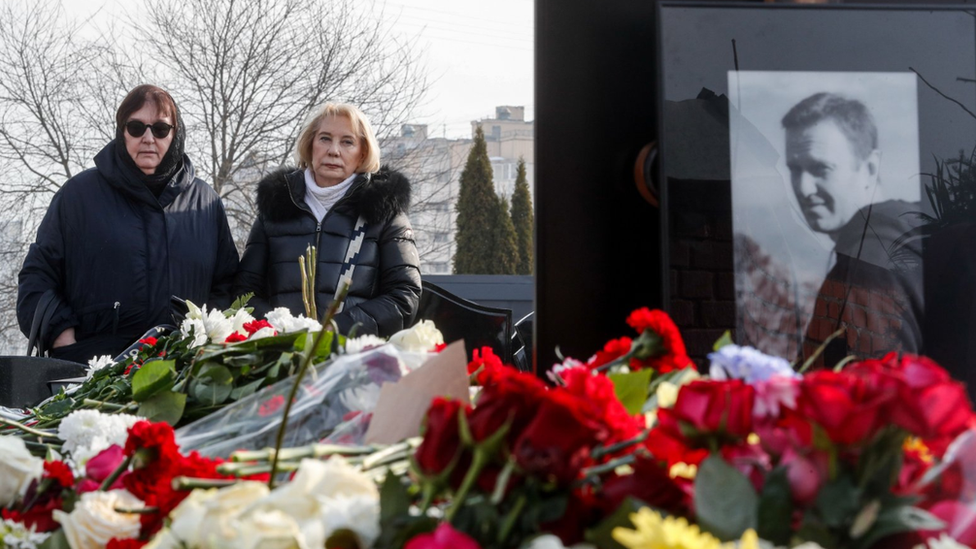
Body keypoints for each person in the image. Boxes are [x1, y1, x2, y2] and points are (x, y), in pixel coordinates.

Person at [17, 84, 240, 363]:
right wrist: (61, 335)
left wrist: (207, 339)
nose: (148, 138)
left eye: (160, 129)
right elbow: (38, 276)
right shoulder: (77, 197)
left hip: (185, 368)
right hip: (90, 370)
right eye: (136, 127)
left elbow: (228, 284)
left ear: (175, 133)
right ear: (122, 131)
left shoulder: (206, 203)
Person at [235, 102, 421, 337]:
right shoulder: (276, 207)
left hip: (352, 359)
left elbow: (404, 297)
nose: (334, 150)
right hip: (281, 358)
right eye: (325, 138)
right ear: (310, 145)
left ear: (363, 152)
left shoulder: (385, 211)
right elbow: (245, 294)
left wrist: (336, 329)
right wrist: (281, 330)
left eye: (347, 142)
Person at [782, 92, 923, 364]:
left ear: (869, 168)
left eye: (820, 168)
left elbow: (875, 391)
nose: (802, 188)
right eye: (794, 169)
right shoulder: (908, 238)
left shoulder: (870, 258)